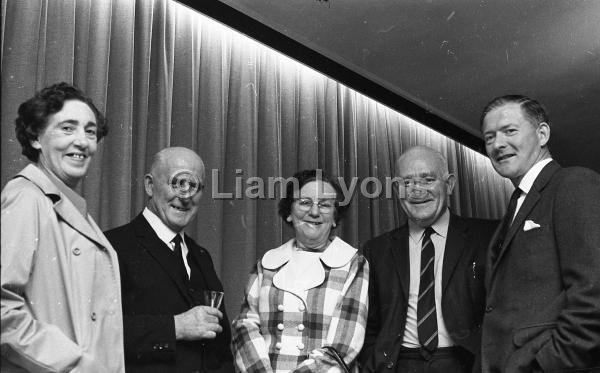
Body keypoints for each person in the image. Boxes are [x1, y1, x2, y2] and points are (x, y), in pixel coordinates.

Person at [1, 83, 125, 372]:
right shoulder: (25, 198)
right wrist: (76, 365)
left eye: (90, 131)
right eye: (67, 128)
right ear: (35, 138)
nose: (82, 141)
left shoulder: (73, 209)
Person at [479, 95, 600, 372]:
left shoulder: (574, 183)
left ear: (542, 133)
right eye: (489, 137)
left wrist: (545, 365)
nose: (498, 144)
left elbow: (594, 294)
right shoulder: (515, 206)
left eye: (510, 131)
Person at [359, 146, 498, 373]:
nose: (417, 190)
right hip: (399, 363)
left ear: (449, 184)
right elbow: (370, 325)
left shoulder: (487, 237)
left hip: (466, 363)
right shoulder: (377, 250)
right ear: (397, 189)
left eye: (428, 179)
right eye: (407, 182)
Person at [104, 147, 233, 372]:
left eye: (193, 186)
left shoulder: (201, 256)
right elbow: (97, 332)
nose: (185, 196)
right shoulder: (112, 246)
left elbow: (221, 349)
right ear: (149, 185)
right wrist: (176, 327)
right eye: (176, 183)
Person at [232, 169, 369, 372]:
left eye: (324, 205)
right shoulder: (267, 262)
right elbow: (245, 327)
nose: (314, 212)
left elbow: (342, 346)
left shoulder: (353, 263)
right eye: (304, 202)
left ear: (334, 218)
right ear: (289, 212)